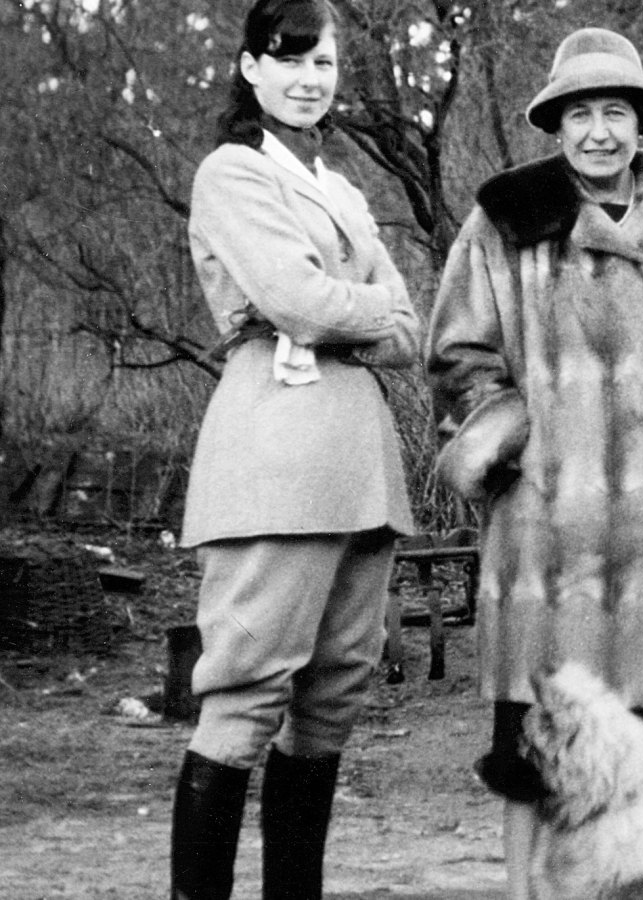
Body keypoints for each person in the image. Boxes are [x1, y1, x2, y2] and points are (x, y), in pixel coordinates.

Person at [425, 27, 643, 900]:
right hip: (542, 540)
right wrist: (508, 430)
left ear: (641, 120)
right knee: (532, 746)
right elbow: (455, 352)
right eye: (580, 114)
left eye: (616, 111)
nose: (599, 131)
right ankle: (528, 894)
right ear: (555, 124)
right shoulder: (505, 221)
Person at [171, 1, 421, 897]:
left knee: (330, 703)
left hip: (358, 458)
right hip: (273, 454)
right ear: (251, 68)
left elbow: (407, 328)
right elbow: (297, 301)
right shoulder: (231, 173)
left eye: (324, 60)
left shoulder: (344, 190)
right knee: (245, 695)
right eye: (290, 58)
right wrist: (349, 309)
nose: (311, 76)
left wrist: (340, 311)